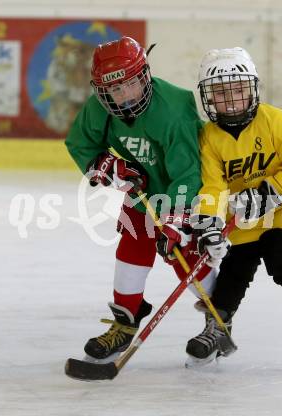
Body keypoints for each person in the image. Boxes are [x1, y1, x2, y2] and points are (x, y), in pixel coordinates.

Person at [65, 36, 217, 363]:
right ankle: (124, 323)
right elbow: (81, 143)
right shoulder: (100, 109)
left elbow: (188, 172)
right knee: (131, 249)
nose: (122, 97)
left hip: (184, 191)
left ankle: (219, 318)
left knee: (184, 257)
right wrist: (107, 166)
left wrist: (177, 217)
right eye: (113, 91)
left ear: (145, 76)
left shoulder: (175, 108)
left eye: (130, 85)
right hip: (141, 193)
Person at [185, 47, 282, 367]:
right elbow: (213, 185)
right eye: (222, 93)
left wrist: (270, 193)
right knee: (236, 266)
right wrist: (209, 219)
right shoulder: (209, 137)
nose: (233, 100)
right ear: (209, 98)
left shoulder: (278, 122)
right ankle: (218, 327)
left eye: (238, 90)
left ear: (252, 88)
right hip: (243, 211)